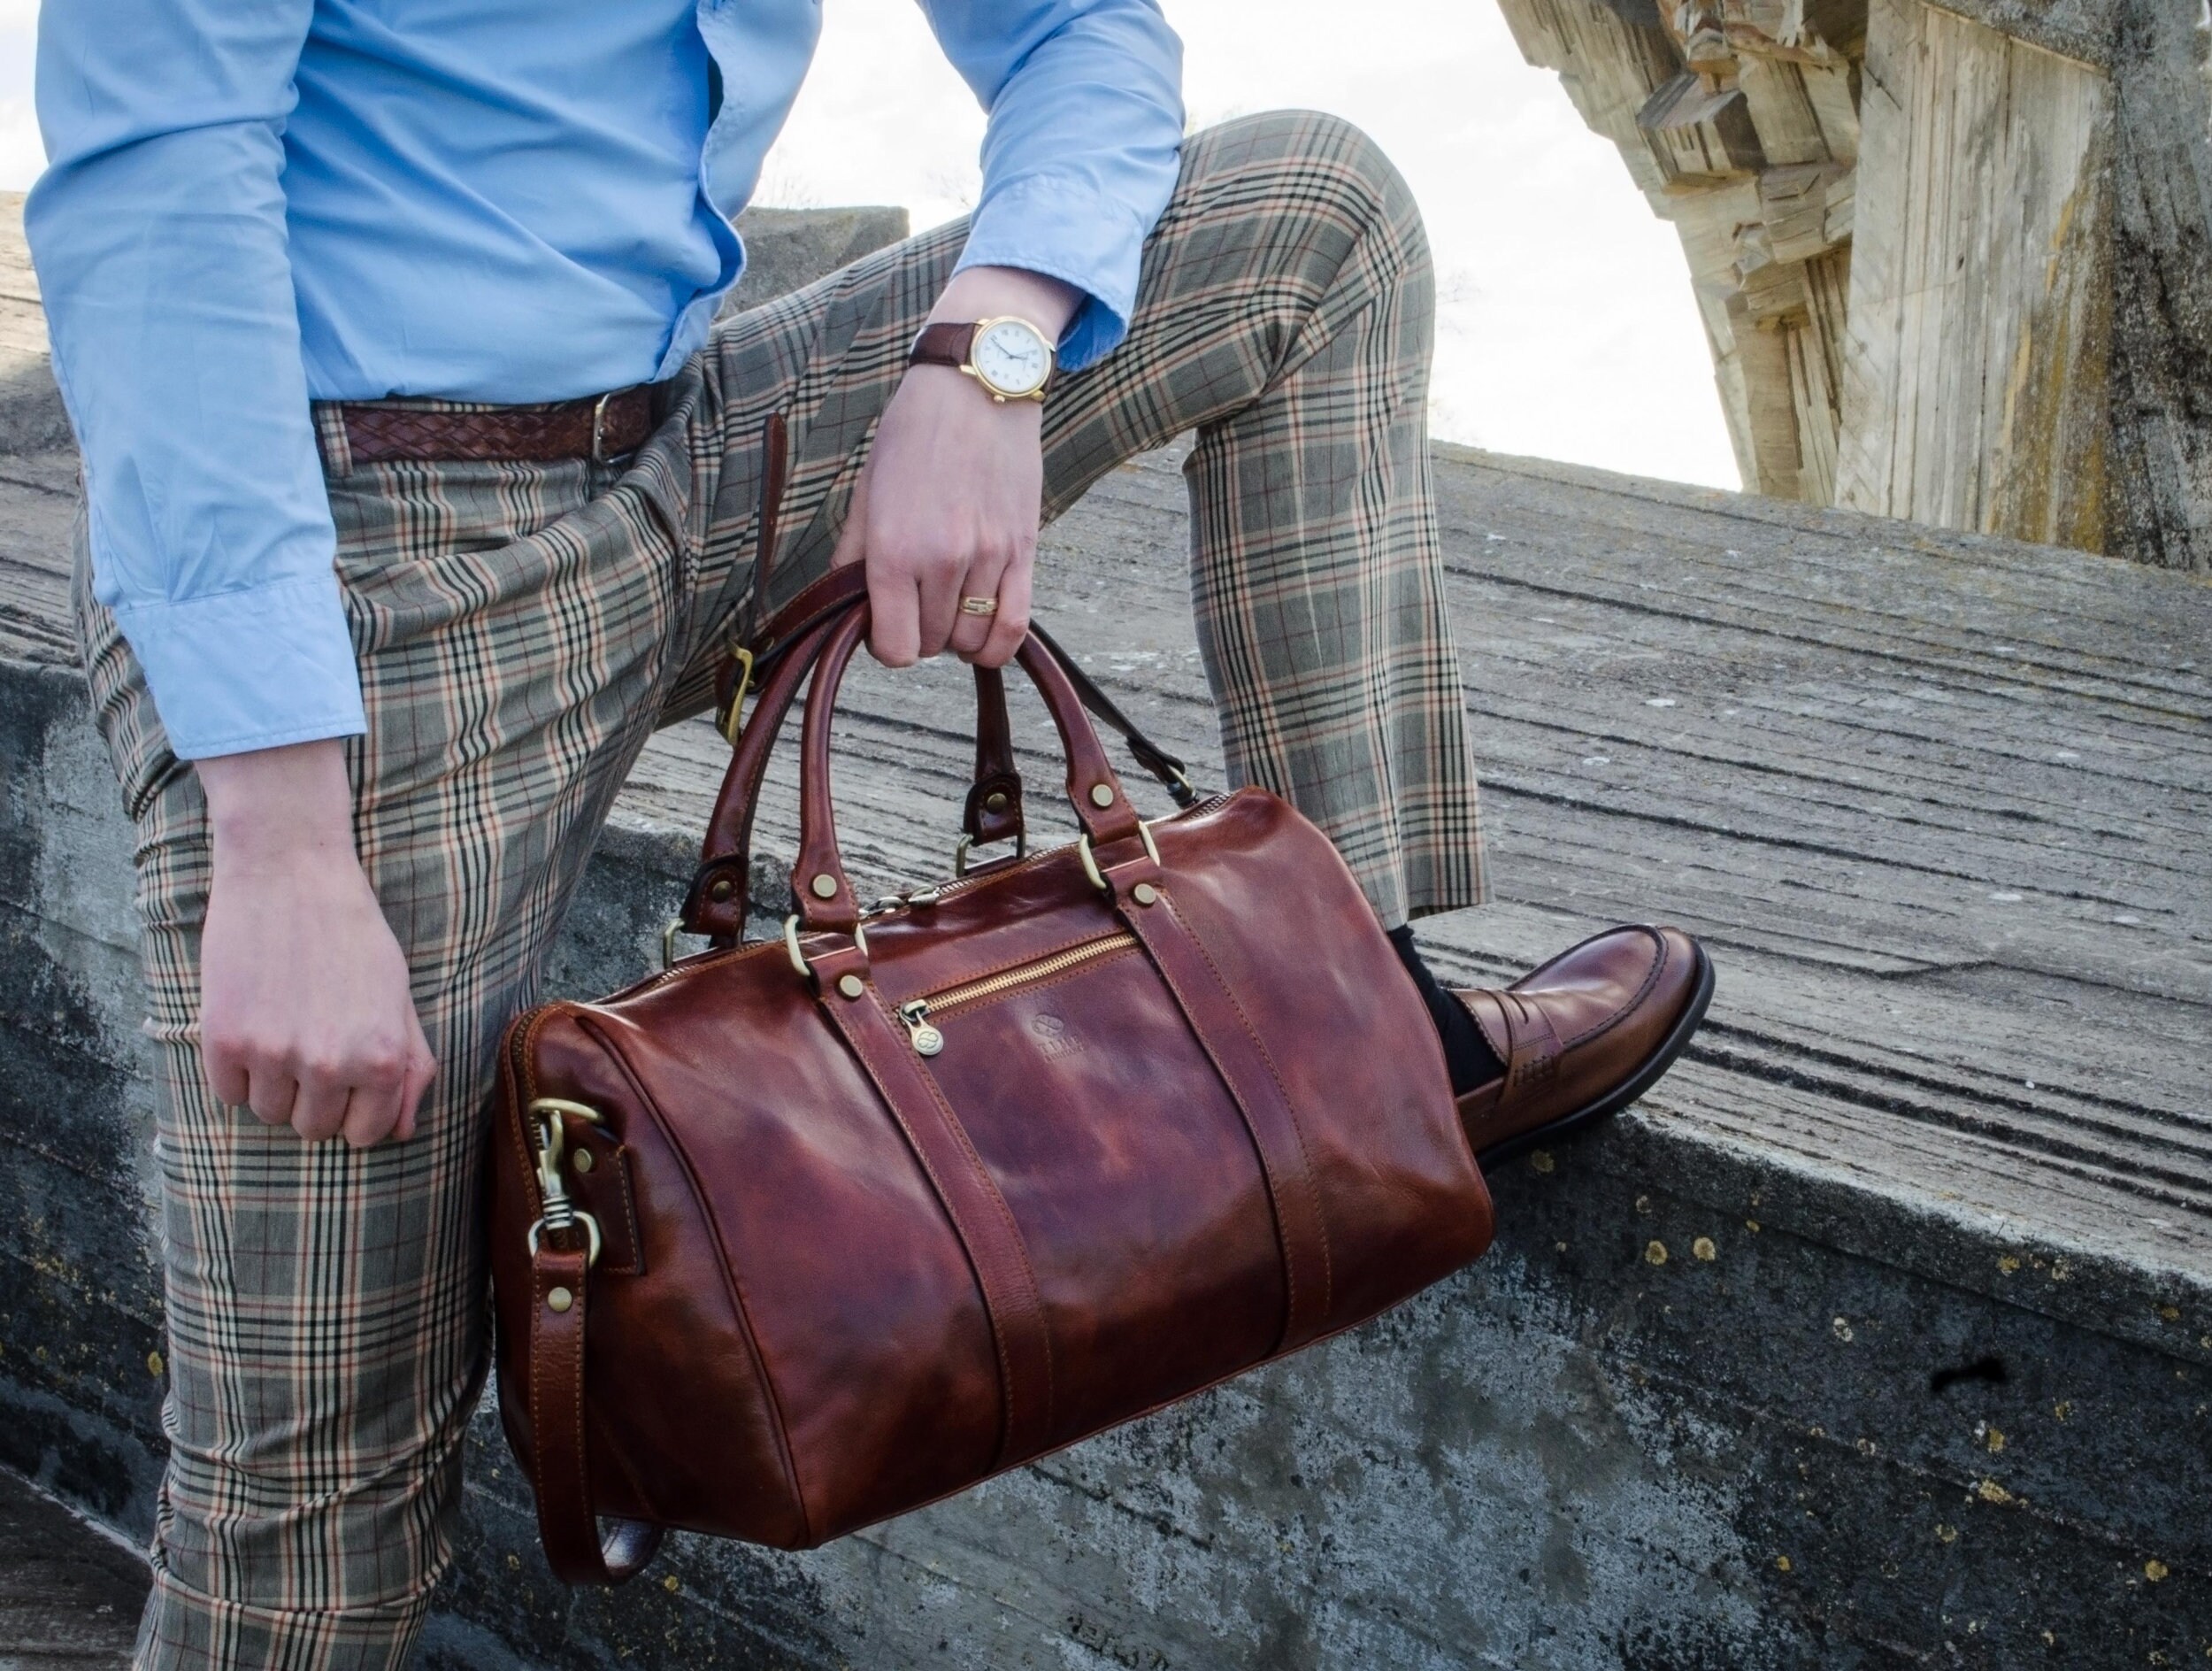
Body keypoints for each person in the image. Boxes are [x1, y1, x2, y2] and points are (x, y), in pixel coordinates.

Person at [27, 1, 1711, 1663]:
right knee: (314, 1511)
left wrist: (987, 352)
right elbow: (154, 177)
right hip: (371, 568)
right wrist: (282, 841)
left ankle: (1376, 1031)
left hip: (691, 443)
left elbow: (1078, 31)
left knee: (1307, 220)